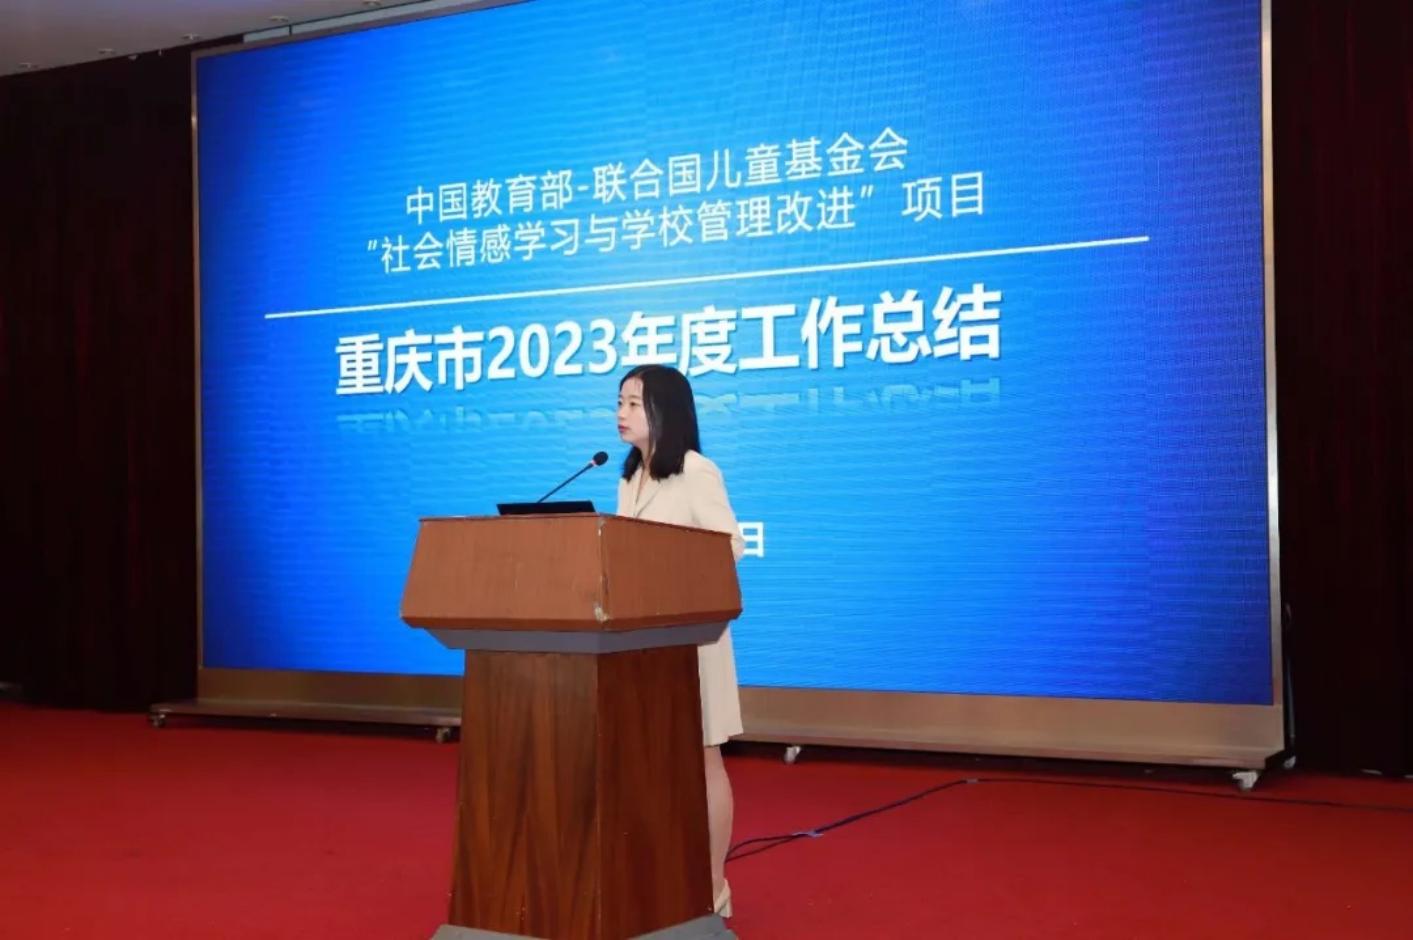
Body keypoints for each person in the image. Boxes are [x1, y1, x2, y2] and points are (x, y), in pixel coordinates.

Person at [615, 363, 743, 919]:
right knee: (653, 762)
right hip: (643, 644)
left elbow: (728, 546)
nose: (621, 413)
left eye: (633, 403)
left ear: (665, 410)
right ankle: (664, 879)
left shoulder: (695, 470)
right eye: (619, 402)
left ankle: (712, 889)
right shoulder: (629, 477)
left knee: (702, 760)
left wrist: (667, 574)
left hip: (693, 641)